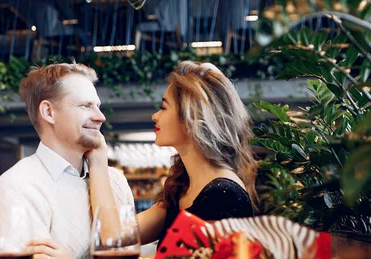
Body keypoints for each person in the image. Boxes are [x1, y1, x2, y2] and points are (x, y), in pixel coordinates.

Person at [0, 62, 147, 259]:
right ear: (49, 112)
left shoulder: (114, 181)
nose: (100, 116)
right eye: (85, 106)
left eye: (98, 106)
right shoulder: (18, 185)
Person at [90, 61, 257, 249]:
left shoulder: (222, 196)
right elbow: (115, 235)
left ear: (191, 118)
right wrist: (97, 160)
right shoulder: (183, 186)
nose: (155, 116)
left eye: (163, 107)